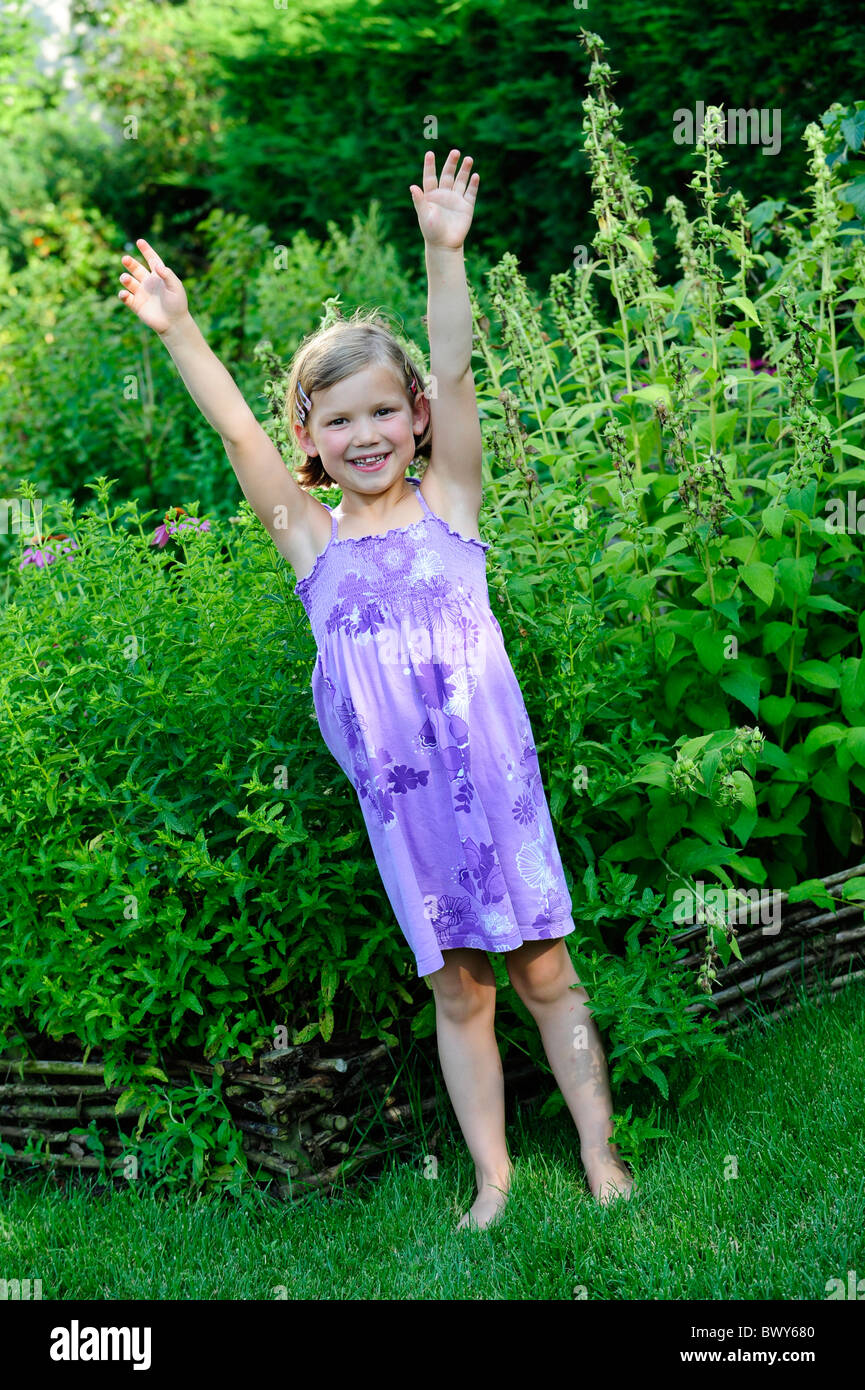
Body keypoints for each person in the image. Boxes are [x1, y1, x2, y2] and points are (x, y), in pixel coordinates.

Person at [118, 148, 634, 1231]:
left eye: (381, 414)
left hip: (497, 789)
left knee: (545, 973)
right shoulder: (312, 544)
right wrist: (178, 330)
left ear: (414, 422)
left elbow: (452, 372)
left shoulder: (453, 502)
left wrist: (445, 256)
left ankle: (599, 1149)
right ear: (311, 435)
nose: (365, 436)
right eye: (337, 420)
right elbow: (235, 434)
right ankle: (493, 1177)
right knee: (461, 989)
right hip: (406, 816)